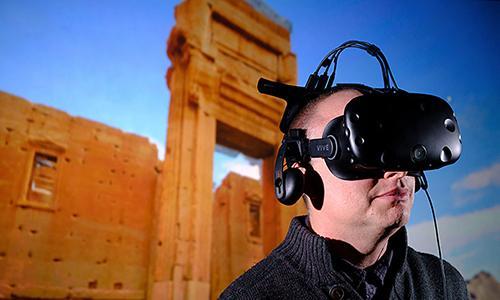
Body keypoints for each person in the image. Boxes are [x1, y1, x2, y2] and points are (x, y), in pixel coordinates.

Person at [219, 88, 468, 299]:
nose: (397, 170)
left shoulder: (446, 285)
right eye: (362, 151)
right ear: (300, 174)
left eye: (397, 147)